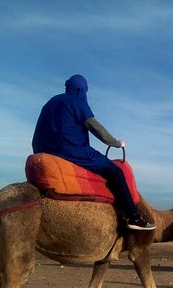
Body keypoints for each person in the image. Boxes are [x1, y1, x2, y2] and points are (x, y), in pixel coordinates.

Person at [32, 74, 155, 231]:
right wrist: (116, 143)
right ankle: (134, 217)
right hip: (72, 151)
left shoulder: (50, 102)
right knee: (116, 172)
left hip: (43, 150)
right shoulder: (78, 102)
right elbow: (96, 128)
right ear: (83, 90)